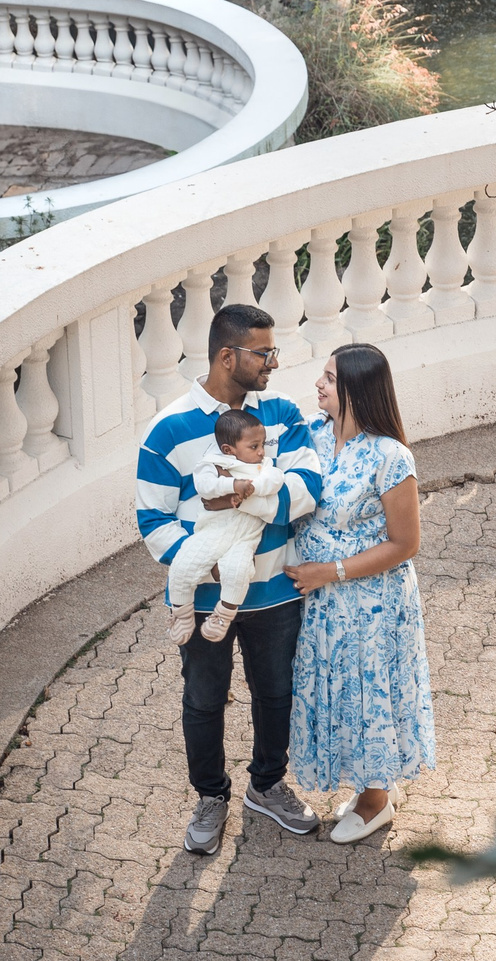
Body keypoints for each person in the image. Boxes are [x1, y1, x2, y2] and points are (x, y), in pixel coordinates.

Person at [134, 304, 325, 855]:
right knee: (203, 699)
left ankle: (266, 786)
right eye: (263, 353)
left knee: (276, 694)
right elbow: (153, 520)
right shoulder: (167, 430)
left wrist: (244, 494)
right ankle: (210, 797)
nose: (273, 362)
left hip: (275, 592)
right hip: (201, 598)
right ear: (226, 356)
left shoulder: (283, 414)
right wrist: (209, 562)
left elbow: (307, 491)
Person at [286, 341, 433, 845]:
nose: (319, 385)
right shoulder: (311, 436)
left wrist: (332, 571)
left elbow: (405, 543)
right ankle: (363, 788)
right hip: (321, 603)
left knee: (370, 692)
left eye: (329, 378)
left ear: (355, 390)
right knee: (335, 690)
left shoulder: (391, 457)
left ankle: (375, 801)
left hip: (370, 603)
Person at [164, 409, 283, 645]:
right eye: (254, 446)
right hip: (213, 531)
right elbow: (205, 487)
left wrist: (254, 488)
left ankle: (223, 615)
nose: (261, 452)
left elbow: (276, 479)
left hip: (245, 538)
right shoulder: (212, 462)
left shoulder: (263, 466)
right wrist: (233, 484)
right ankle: (182, 615)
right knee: (183, 565)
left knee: (238, 571)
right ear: (229, 449)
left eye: (262, 445)